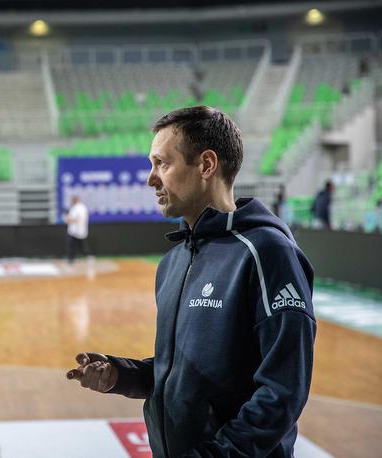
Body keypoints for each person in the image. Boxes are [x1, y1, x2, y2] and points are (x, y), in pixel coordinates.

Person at [67, 106, 316, 457]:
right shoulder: (173, 261)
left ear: (206, 165)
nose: (151, 179)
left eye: (162, 164)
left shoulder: (267, 252)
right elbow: (179, 371)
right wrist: (118, 376)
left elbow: (283, 389)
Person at [63, 195, 90, 264]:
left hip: (79, 231)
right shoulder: (73, 208)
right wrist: (66, 217)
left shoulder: (81, 208)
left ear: (76, 200)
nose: (71, 202)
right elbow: (69, 219)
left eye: (72, 200)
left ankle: (89, 257)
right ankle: (70, 260)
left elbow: (76, 219)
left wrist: (67, 218)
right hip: (72, 231)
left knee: (82, 247)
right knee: (70, 246)